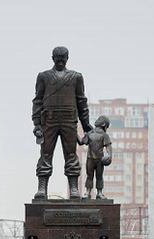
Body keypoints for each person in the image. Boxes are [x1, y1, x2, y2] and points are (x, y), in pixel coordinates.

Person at [31, 46, 92, 199]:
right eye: (57, 59)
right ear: (52, 58)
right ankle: (42, 188)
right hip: (49, 120)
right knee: (45, 154)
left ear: (67, 58)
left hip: (69, 119)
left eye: (62, 59)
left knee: (71, 155)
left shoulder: (76, 77)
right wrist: (37, 123)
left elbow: (81, 101)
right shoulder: (43, 77)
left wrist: (86, 126)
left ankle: (73, 188)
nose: (60, 62)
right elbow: (38, 100)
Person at [80, 115, 113, 200]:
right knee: (89, 176)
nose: (96, 120)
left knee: (99, 176)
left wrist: (109, 155)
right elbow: (81, 142)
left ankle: (99, 193)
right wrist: (73, 133)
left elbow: (108, 146)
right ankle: (87, 192)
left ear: (103, 124)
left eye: (99, 119)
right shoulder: (90, 133)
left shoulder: (104, 135)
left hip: (99, 160)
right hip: (90, 158)